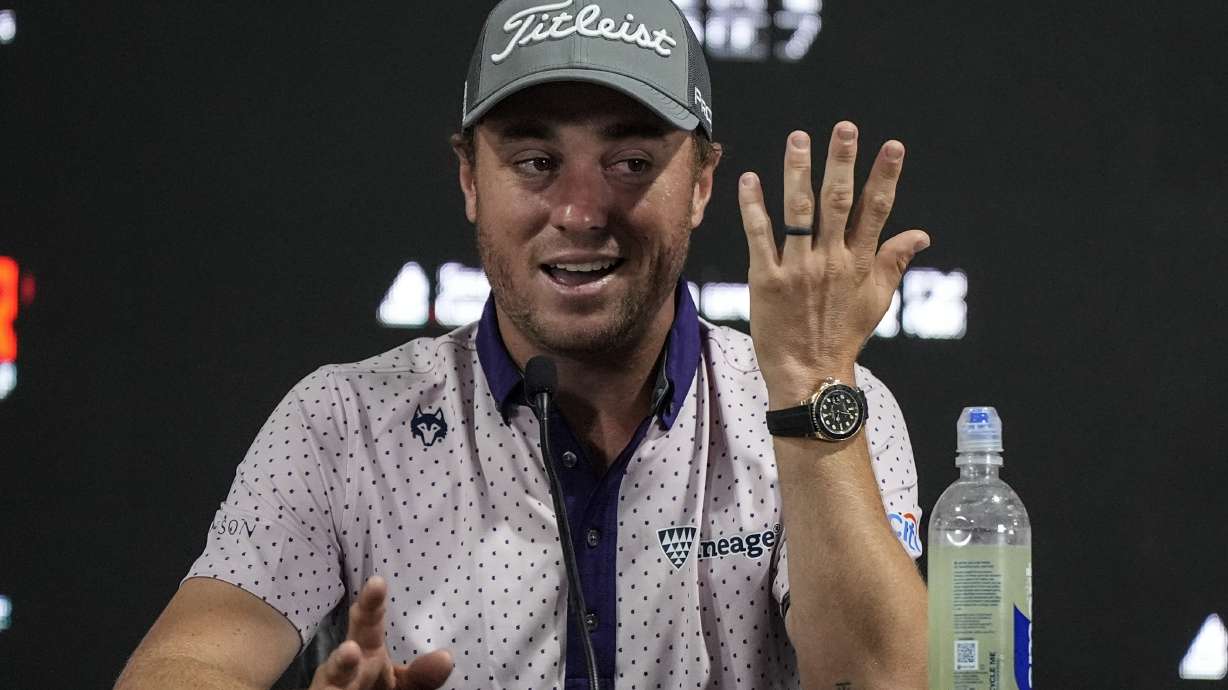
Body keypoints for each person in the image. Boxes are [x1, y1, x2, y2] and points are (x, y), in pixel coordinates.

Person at [115, 0, 930, 688]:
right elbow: (184, 663)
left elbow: (887, 681)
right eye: (536, 161)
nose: (580, 211)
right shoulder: (345, 423)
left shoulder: (823, 406)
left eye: (632, 160)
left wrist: (809, 382)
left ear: (703, 184)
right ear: (471, 180)